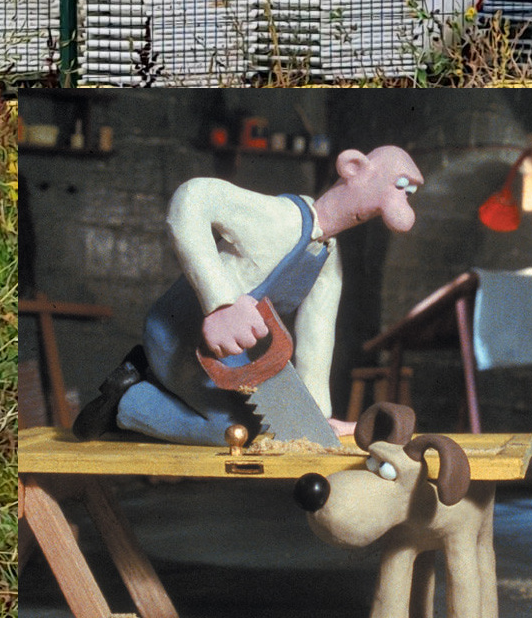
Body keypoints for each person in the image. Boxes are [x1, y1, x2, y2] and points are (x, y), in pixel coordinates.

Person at [73, 145, 424, 444]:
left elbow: (317, 337)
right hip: (177, 337)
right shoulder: (280, 218)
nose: (403, 198)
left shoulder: (327, 256)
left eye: (408, 191)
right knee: (231, 430)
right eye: (399, 185)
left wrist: (316, 418)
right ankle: (127, 403)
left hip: (228, 356)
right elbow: (193, 197)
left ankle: (142, 395)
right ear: (353, 167)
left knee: (264, 430)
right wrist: (221, 303)